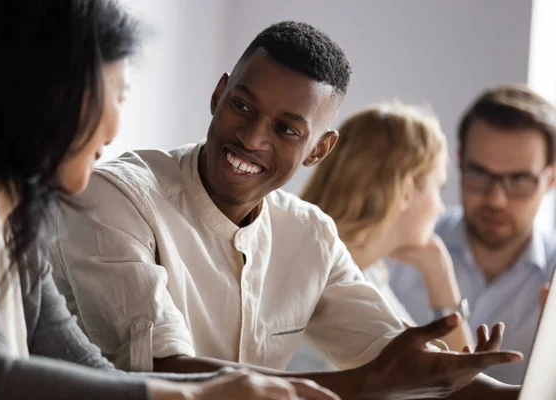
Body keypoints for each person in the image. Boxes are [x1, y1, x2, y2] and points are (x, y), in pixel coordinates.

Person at [50, 21, 522, 399]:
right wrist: (365, 385)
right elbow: (163, 374)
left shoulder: (310, 235)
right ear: (218, 96)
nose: (252, 138)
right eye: (241, 106)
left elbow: (400, 357)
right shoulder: (117, 196)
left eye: (287, 130)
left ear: (320, 149)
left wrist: (510, 393)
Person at [0, 1, 338, 399]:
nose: (117, 125)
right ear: (47, 93)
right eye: (118, 96)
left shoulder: (18, 222)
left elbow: (90, 367)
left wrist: (234, 389)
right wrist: (197, 395)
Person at [286, 103, 479, 372]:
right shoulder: (330, 281)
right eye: (438, 187)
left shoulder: (370, 271)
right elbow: (453, 384)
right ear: (407, 191)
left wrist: (439, 275)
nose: (441, 207)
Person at [389, 85, 556, 384]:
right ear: (459, 161)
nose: (496, 199)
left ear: (551, 178)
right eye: (479, 174)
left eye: (518, 180)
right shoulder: (398, 249)